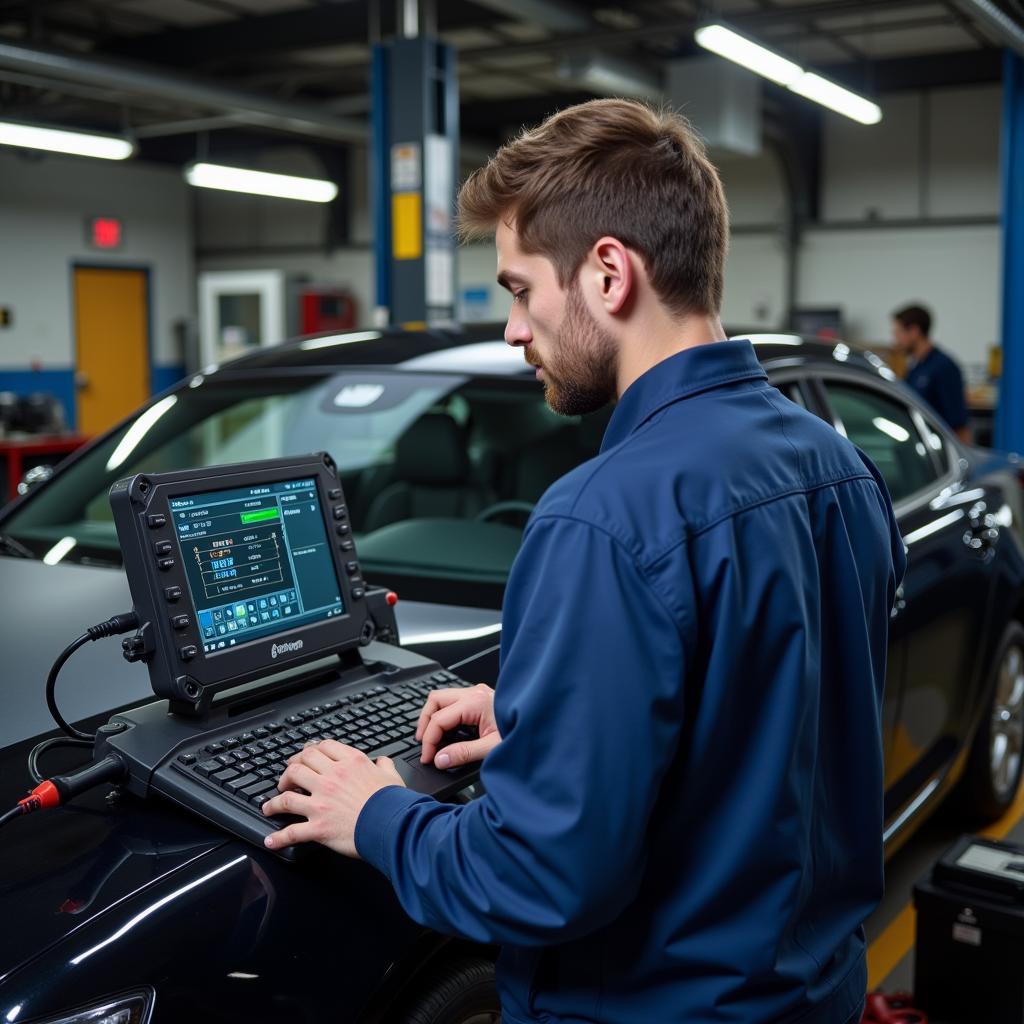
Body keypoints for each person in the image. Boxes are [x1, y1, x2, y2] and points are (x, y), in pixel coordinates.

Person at [261, 99, 906, 1024]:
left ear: (609, 273)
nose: (514, 329)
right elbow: (765, 721)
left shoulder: (603, 516)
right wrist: (547, 713)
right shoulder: (835, 465)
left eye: (520, 290)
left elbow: (539, 878)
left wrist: (374, 813)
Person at [891, 304, 971, 443]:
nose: (895, 340)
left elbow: (959, 426)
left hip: (939, 452)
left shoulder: (944, 367)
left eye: (898, 333)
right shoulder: (915, 367)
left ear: (914, 331)